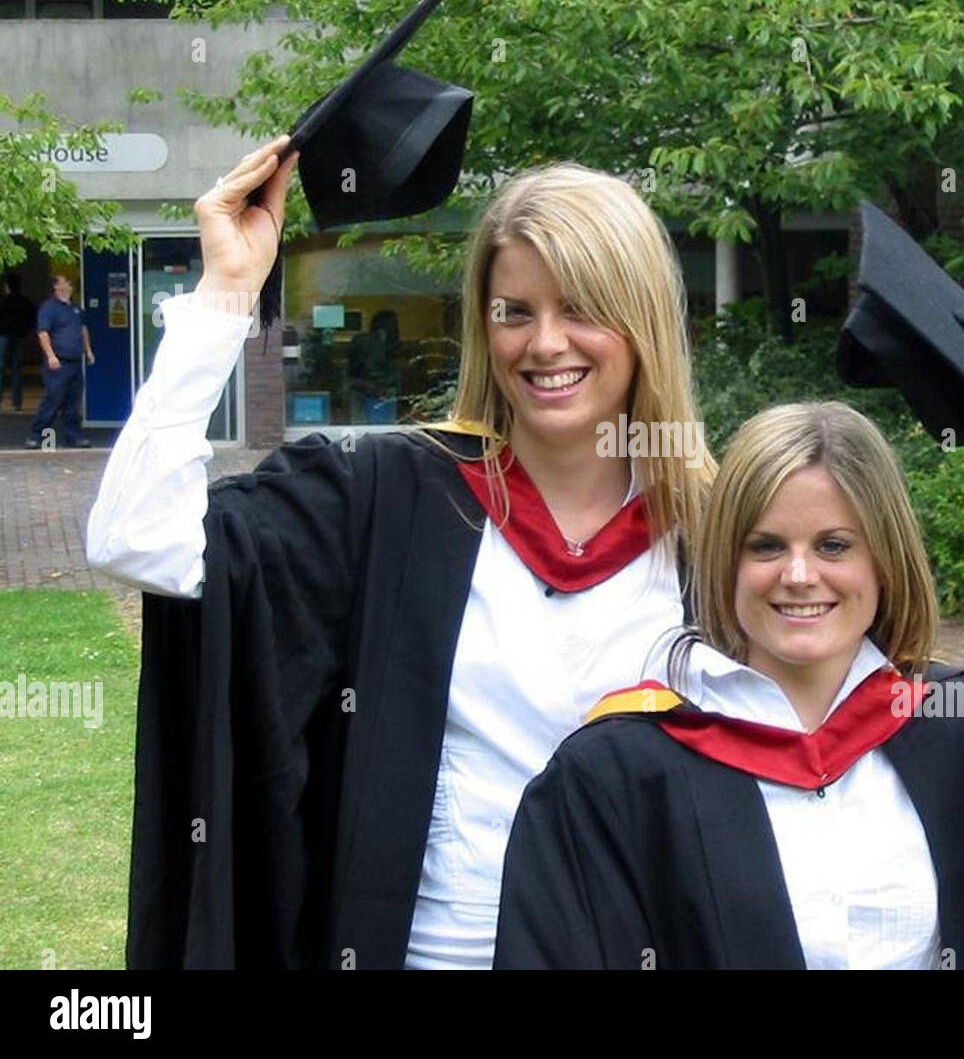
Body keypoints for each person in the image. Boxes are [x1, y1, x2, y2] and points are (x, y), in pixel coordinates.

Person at [85, 135, 717, 968]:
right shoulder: (389, 494)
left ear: (642, 324)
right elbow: (136, 540)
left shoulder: (718, 532)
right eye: (515, 311)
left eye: (583, 308)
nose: (546, 343)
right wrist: (225, 293)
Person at [494, 401, 964, 969]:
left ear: (884, 559)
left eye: (834, 544)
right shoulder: (617, 774)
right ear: (724, 560)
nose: (799, 575)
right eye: (766, 545)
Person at [25, 272, 94, 448]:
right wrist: (50, 356)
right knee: (53, 400)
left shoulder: (76, 309)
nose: (67, 287)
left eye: (69, 284)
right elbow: (43, 333)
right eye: (63, 284)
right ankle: (36, 435)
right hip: (58, 362)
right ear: (55, 287)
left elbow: (83, 329)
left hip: (75, 362)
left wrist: (88, 351)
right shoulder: (49, 308)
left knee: (73, 402)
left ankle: (73, 437)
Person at [0, 273, 35, 411]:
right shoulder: (25, 301)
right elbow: (32, 317)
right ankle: (17, 403)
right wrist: (25, 331)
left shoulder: (3, 301)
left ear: (7, 286)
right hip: (19, 337)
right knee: (17, 370)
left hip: (3, 336)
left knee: (0, 368)